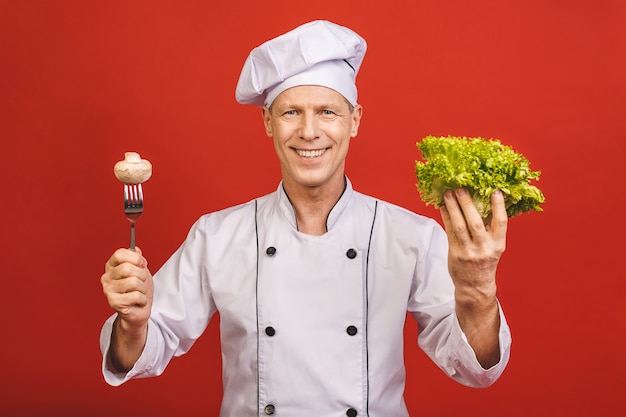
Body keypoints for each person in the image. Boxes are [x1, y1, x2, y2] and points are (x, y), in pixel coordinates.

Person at [100, 20, 512, 417]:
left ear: (355, 121)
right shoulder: (217, 235)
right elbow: (144, 349)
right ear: (267, 122)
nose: (309, 132)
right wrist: (134, 324)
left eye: (328, 112)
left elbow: (474, 369)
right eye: (291, 112)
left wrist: (478, 291)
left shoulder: (411, 236)